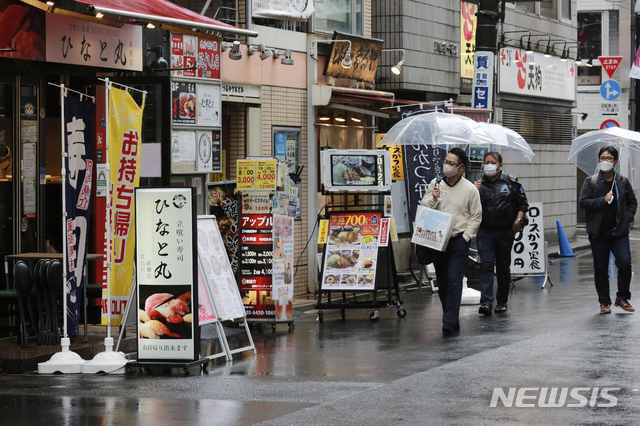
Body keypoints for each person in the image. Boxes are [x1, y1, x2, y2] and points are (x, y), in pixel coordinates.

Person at [420, 147, 482, 335]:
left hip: (458, 240)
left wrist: (466, 237)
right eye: (446, 162)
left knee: (455, 280)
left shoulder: (470, 189)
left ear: (461, 167)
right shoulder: (436, 183)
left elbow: (476, 216)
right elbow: (424, 205)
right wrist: (434, 197)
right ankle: (451, 317)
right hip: (438, 240)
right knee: (443, 281)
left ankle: (448, 320)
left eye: (451, 163)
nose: (447, 166)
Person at [579, 146, 637, 314]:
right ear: (598, 161)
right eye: (602, 158)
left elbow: (633, 202)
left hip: (619, 233)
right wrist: (602, 200)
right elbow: (583, 202)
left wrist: (627, 218)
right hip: (598, 234)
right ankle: (604, 301)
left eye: (609, 158)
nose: (605, 161)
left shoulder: (623, 182)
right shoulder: (591, 181)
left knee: (625, 263)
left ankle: (622, 298)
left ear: (616, 162)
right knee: (600, 268)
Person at [473, 152, 529, 315]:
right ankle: (486, 302)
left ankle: (502, 301)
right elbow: (469, 206)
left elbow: (523, 204)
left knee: (503, 267)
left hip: (505, 231)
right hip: (485, 231)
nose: (489, 165)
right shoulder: (477, 184)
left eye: (493, 162)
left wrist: (518, 220)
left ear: (500, 165)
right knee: (487, 264)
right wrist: (474, 191)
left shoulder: (511, 182)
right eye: (486, 162)